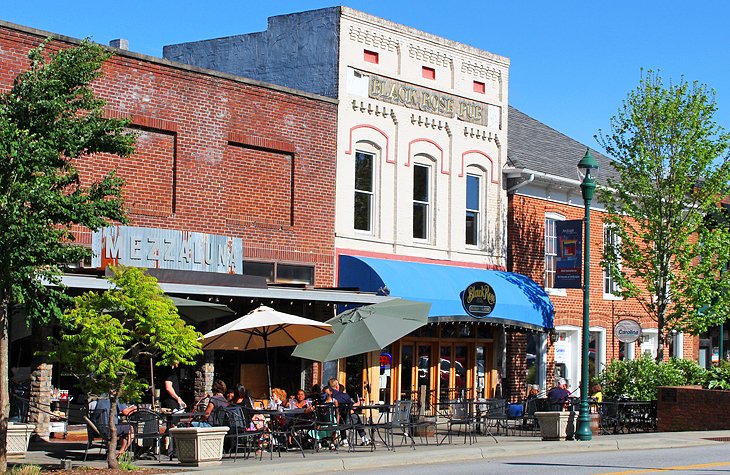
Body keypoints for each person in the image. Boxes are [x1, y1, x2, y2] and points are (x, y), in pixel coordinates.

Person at [327, 378, 369, 447]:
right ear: (337, 386)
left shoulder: (326, 396)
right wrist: (359, 403)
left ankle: (344, 440)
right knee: (355, 417)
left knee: (343, 417)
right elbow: (352, 406)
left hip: (327, 421)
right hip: (343, 421)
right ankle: (364, 439)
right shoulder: (343, 396)